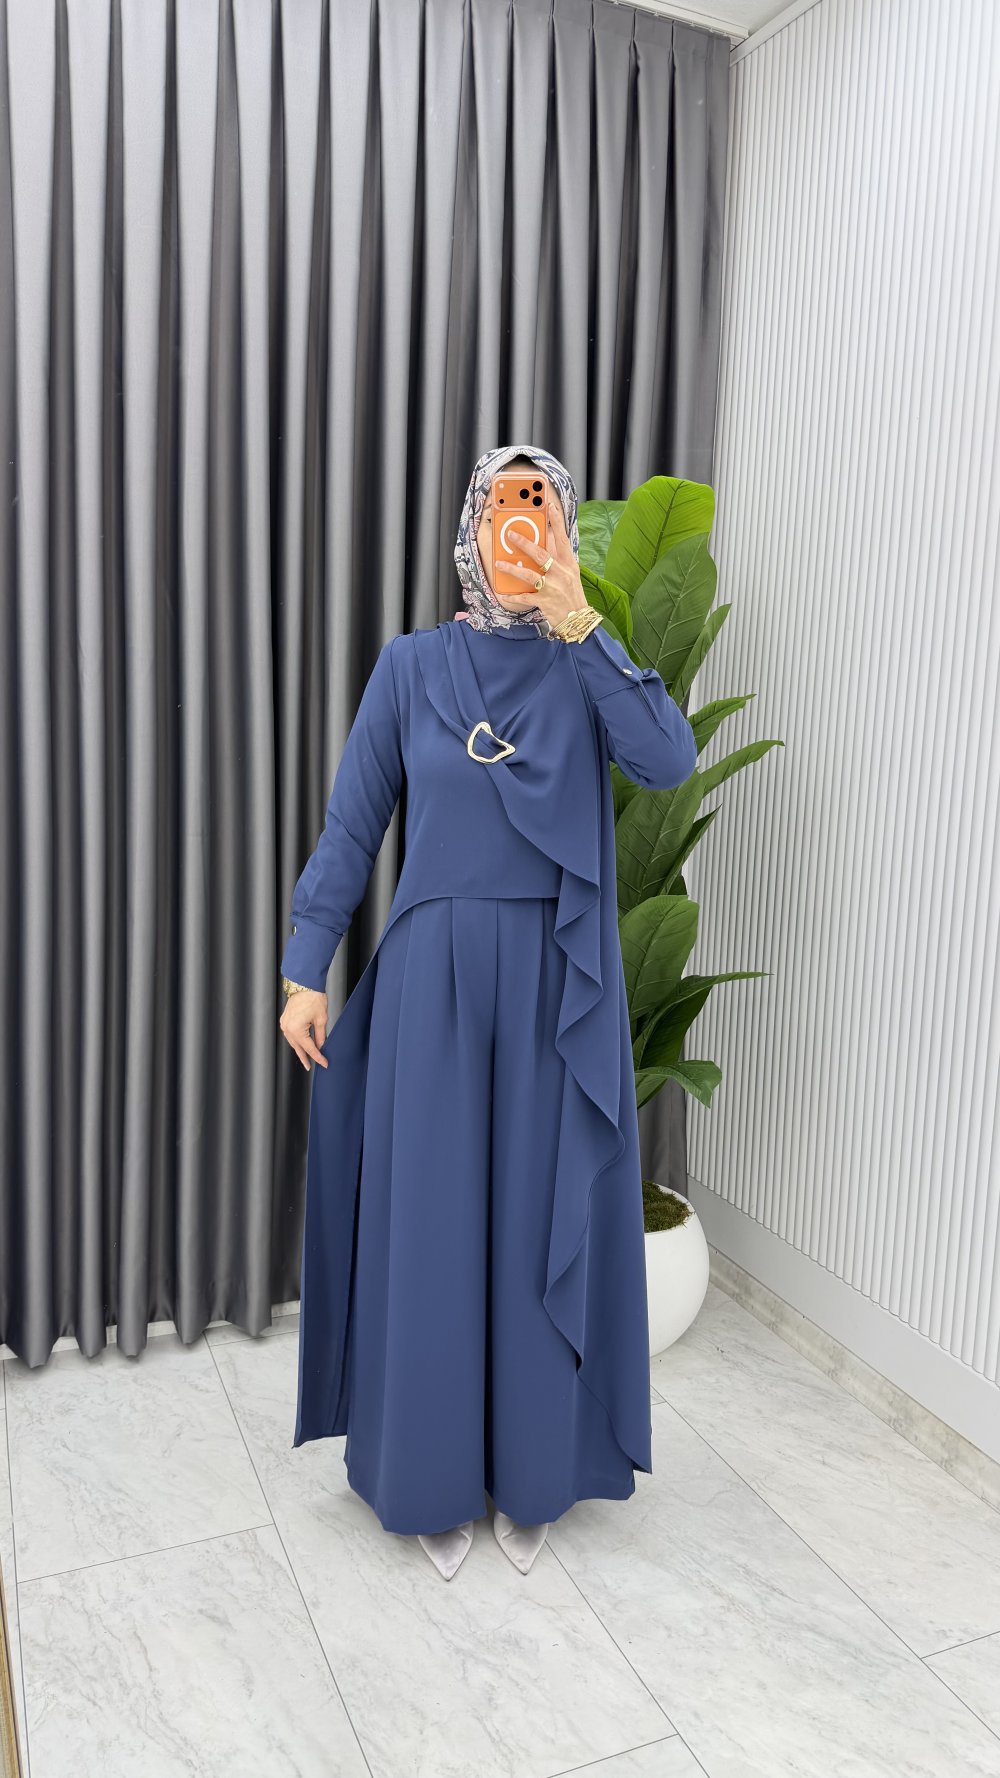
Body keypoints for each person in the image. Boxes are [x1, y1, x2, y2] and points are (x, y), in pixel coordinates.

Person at [278, 443, 697, 1581]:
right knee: (433, 1223)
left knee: (533, 1217)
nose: (521, 526)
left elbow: (667, 761)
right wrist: (307, 963)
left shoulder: (583, 665)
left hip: (558, 987)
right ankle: (428, 1473)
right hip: (434, 984)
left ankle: (532, 1468)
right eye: (504, 507)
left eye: (541, 507)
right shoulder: (411, 667)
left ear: (561, 528)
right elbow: (354, 821)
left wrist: (580, 622)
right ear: (471, 525)